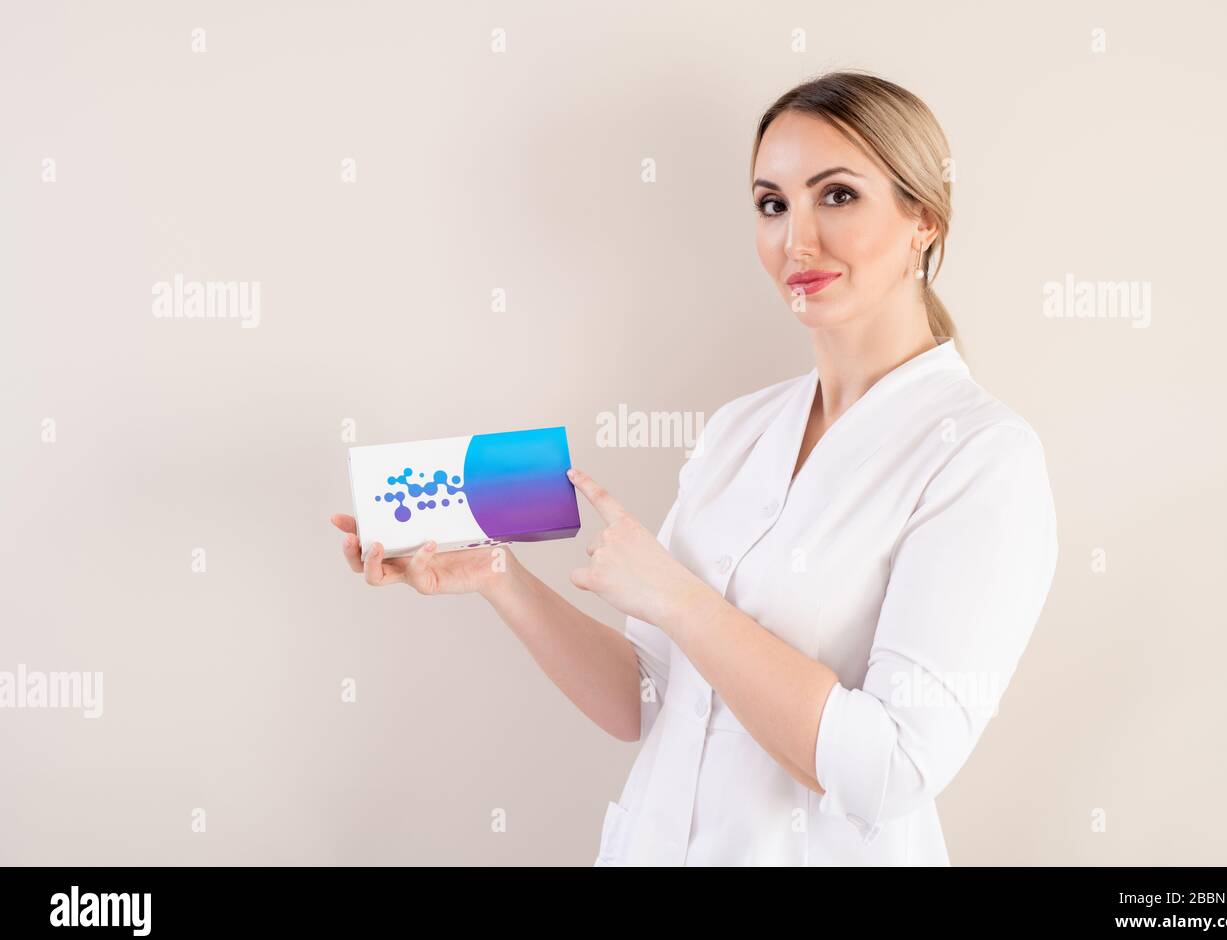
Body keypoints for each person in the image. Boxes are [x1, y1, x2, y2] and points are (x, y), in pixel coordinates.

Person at [329, 70, 1058, 866]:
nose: (796, 241)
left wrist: (679, 600)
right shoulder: (740, 430)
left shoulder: (984, 459)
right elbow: (647, 698)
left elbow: (890, 771)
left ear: (923, 217)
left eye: (837, 195)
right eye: (772, 204)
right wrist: (499, 576)